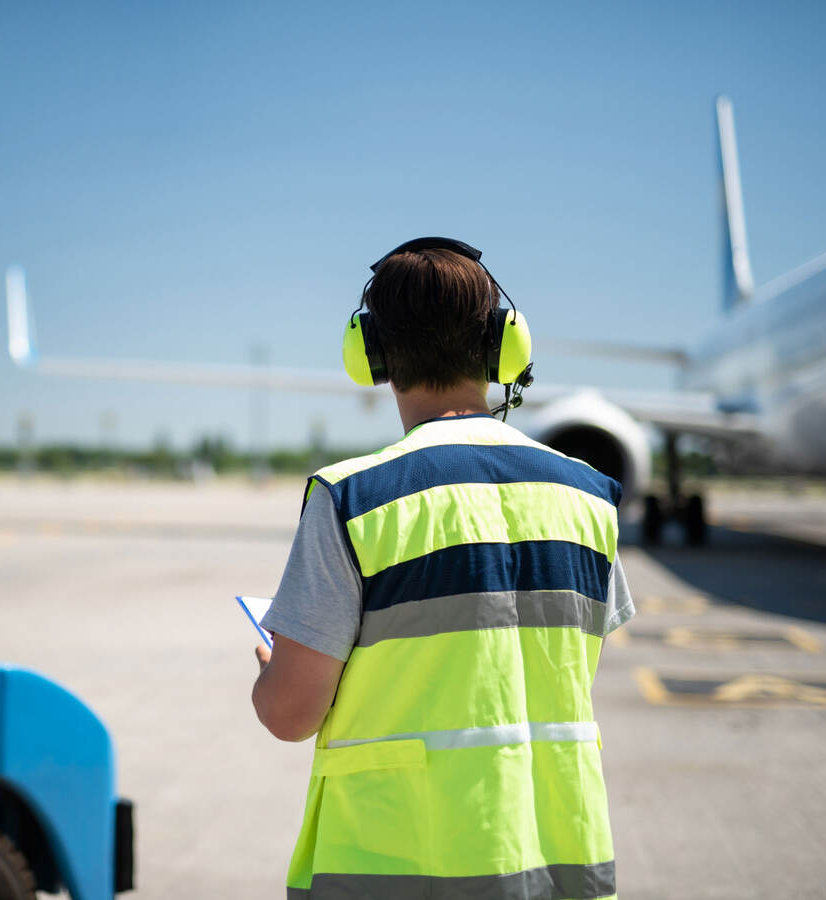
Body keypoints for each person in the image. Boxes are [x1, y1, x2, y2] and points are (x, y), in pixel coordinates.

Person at [251, 238, 633, 899]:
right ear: (502, 347)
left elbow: (290, 715)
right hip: (558, 869)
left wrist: (272, 670)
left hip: (397, 873)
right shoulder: (588, 496)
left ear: (370, 355)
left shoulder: (354, 499)